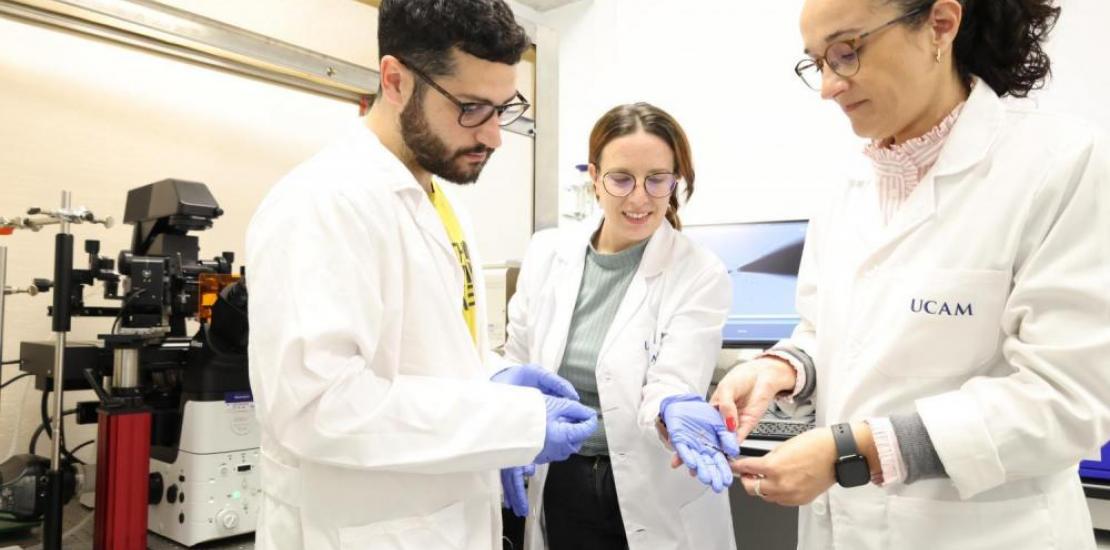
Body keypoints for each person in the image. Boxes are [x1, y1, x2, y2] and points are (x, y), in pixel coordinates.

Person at [681, 1, 1110, 549]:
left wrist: (854, 451)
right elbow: (829, 332)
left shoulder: (1059, 163)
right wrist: (780, 369)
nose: (828, 87)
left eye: (846, 52)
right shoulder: (848, 186)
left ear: (940, 25)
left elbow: (1066, 398)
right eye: (817, 62)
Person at [245, 1, 597, 549]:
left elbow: (427, 353)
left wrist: (493, 378)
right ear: (395, 80)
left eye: (503, 108)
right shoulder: (323, 203)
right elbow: (319, 407)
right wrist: (508, 423)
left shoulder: (435, 197)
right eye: (473, 108)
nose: (495, 136)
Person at [501, 102, 739, 550]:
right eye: (621, 178)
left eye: (657, 180)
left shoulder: (699, 271)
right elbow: (518, 362)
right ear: (594, 177)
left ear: (675, 182)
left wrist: (673, 407)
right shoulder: (547, 253)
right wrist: (508, 428)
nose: (639, 197)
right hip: (562, 479)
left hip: (652, 484)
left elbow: (673, 379)